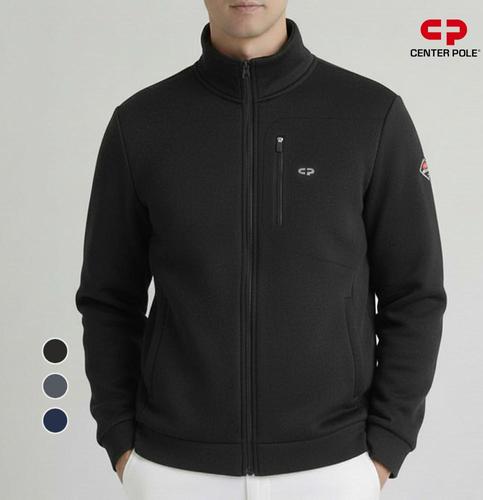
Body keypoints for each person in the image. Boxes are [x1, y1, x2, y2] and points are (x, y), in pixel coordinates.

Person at [75, 1, 447, 498]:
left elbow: (414, 293)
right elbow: (108, 298)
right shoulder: (141, 124)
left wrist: (386, 445)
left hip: (331, 469)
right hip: (173, 471)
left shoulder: (371, 115)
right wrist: (121, 440)